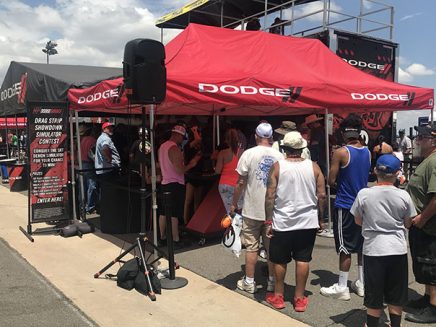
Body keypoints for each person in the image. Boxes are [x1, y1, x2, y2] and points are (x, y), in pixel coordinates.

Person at [351, 154, 416, 327]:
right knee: (396, 292)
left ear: (375, 171)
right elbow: (408, 223)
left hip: (374, 249)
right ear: (397, 173)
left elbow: (357, 220)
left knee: (374, 292)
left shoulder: (364, 194)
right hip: (397, 249)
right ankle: (395, 324)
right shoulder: (403, 196)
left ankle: (372, 324)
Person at [265, 131, 326, 312]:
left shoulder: (277, 167)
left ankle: (278, 296)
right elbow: (321, 196)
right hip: (307, 221)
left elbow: (270, 196)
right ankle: (299, 298)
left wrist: (269, 220)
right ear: (301, 148)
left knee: (279, 260)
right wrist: (320, 218)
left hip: (282, 221)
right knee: (303, 259)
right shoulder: (314, 167)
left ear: (284, 148)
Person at [320, 113, 371, 300]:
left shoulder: (341, 152)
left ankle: (342, 285)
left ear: (345, 132)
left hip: (346, 204)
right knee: (361, 246)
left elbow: (331, 180)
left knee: (344, 247)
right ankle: (362, 283)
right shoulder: (367, 151)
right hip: (363, 204)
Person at [230, 122, 283, 294]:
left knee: (251, 247)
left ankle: (249, 282)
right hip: (272, 210)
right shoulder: (279, 156)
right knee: (270, 249)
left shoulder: (248, 154)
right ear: (271, 137)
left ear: (256, 136)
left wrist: (233, 203)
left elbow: (240, 182)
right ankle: (272, 282)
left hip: (252, 208)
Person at [404, 124, 436, 324]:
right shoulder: (428, 160)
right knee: (424, 265)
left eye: (421, 138)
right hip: (420, 226)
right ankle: (427, 299)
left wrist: (422, 218)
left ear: (433, 140)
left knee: (431, 267)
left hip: (429, 227)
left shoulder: (434, 162)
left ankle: (434, 308)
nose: (417, 141)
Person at [158, 125, 201, 246]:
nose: (183, 140)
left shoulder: (162, 147)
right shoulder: (174, 148)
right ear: (177, 135)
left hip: (165, 182)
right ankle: (176, 240)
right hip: (175, 183)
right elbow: (180, 170)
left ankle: (162, 237)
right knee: (174, 213)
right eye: (182, 137)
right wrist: (192, 164)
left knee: (163, 212)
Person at [215, 128, 242, 213]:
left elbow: (217, 171)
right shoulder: (242, 152)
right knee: (241, 211)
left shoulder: (222, 153)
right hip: (239, 185)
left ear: (226, 140)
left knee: (230, 211)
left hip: (225, 184)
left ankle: (232, 225)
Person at [79, 124, 97, 214]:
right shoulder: (92, 140)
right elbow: (92, 154)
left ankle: (82, 205)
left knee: (83, 186)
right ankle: (90, 206)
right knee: (91, 186)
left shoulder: (82, 140)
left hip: (82, 164)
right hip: (89, 164)